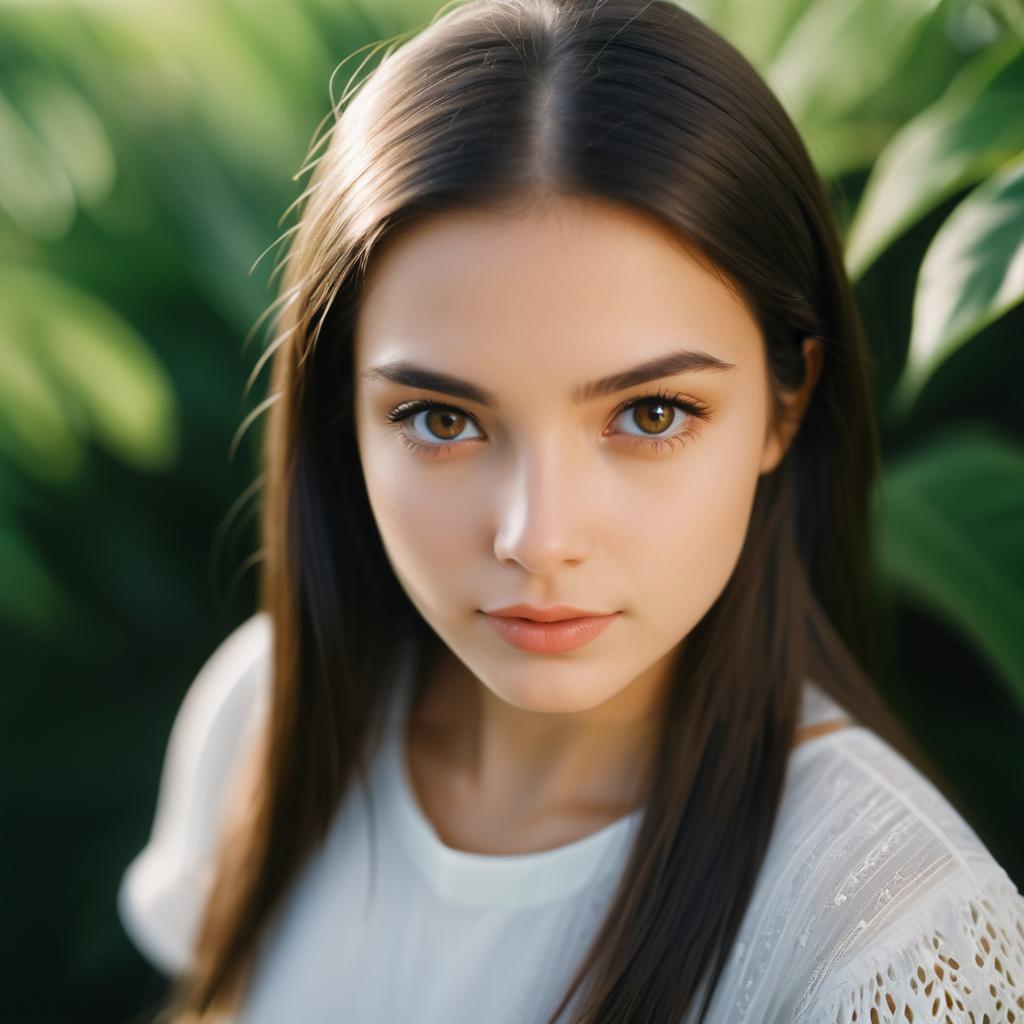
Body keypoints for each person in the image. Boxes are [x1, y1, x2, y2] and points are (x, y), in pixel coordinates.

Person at [118, 0, 1024, 1021]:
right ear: (342, 412)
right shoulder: (267, 713)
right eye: (441, 419)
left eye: (650, 412)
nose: (538, 538)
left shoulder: (889, 932)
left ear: (786, 404)